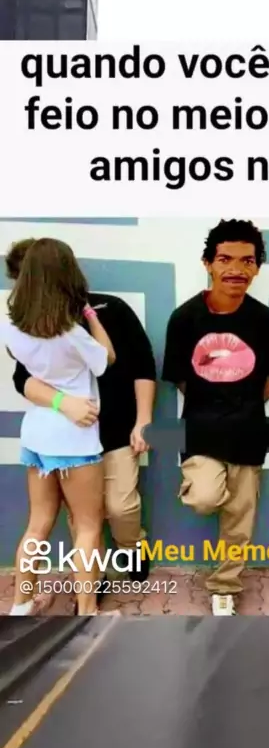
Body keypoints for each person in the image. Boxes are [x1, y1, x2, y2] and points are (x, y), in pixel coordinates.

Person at [7, 238, 157, 595]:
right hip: (70, 438)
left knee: (120, 507)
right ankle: (92, 581)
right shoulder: (31, 327)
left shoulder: (111, 309)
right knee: (83, 518)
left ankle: (132, 546)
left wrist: (144, 421)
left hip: (116, 431)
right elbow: (23, 380)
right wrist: (64, 403)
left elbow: (141, 365)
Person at [162, 219, 269, 616]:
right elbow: (179, 377)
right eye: (225, 259)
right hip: (199, 431)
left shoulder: (265, 321)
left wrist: (245, 403)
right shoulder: (185, 318)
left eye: (247, 261)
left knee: (239, 518)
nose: (236, 269)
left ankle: (225, 586)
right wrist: (213, 401)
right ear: (208, 263)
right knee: (205, 498)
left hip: (250, 432)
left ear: (257, 268)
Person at [0, 238, 116, 616]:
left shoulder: (10, 327)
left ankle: (21, 605)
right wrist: (91, 315)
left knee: (37, 525)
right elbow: (106, 359)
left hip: (37, 433)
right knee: (88, 527)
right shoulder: (72, 334)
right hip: (74, 439)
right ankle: (87, 613)